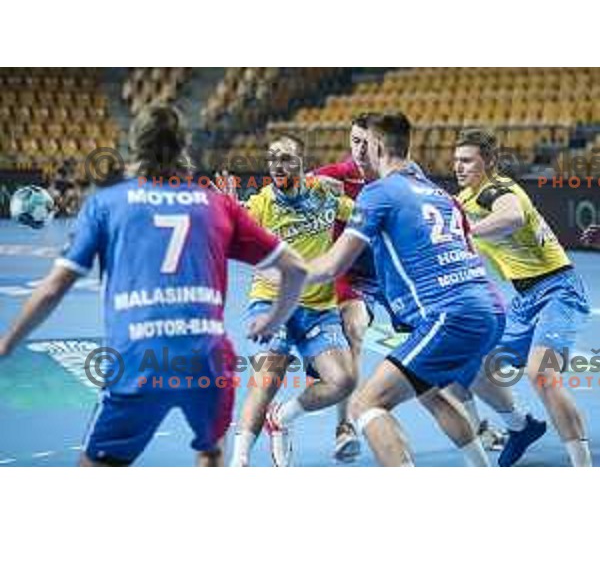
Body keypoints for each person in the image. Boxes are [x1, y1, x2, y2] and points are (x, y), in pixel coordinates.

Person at [0, 104, 308, 467]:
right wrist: (274, 320)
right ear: (183, 147)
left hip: (137, 358)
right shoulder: (217, 205)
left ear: (134, 147)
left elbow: (53, 288)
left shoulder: (106, 203)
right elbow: (297, 270)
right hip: (206, 357)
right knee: (210, 453)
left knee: (96, 466)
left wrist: (6, 345)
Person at [308, 113, 504, 466]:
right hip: (489, 307)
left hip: (450, 317)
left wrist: (278, 269)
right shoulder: (442, 194)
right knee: (432, 394)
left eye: (364, 146)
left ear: (379, 146)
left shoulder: (378, 193)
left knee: (367, 403)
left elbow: (332, 266)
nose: (359, 154)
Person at [453, 128, 591, 467]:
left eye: (467, 160)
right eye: (456, 160)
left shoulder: (499, 190)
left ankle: (584, 469)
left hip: (559, 289)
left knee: (541, 374)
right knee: (468, 367)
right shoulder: (462, 201)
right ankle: (522, 426)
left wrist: (465, 231)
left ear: (488, 162)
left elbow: (511, 216)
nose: (459, 167)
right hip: (524, 299)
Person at [229, 135, 357, 466]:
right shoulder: (260, 203)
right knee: (268, 377)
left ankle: (282, 418)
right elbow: (232, 236)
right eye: (272, 159)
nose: (278, 165)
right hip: (271, 303)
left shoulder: (324, 193)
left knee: (343, 381)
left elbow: (363, 215)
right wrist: (227, 213)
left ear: (302, 160)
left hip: (318, 307)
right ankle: (239, 460)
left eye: (286, 158)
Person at [308, 114, 378, 461]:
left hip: (387, 274)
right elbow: (286, 190)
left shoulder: (392, 178)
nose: (360, 149)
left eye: (367, 142)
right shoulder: (335, 175)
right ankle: (345, 426)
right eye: (355, 141)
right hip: (343, 270)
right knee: (355, 329)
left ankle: (484, 421)